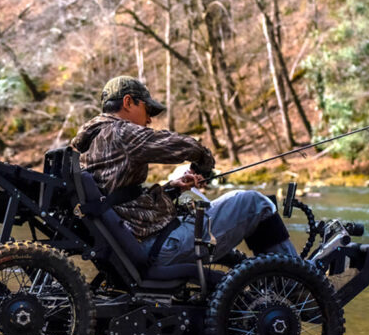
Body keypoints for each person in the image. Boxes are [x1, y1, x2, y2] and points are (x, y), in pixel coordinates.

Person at [70, 76, 296, 266]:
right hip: (158, 247)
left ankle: (273, 280)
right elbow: (181, 146)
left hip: (136, 245)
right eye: (147, 109)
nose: (149, 119)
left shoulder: (88, 143)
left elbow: (117, 200)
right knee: (255, 203)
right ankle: (296, 284)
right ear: (128, 102)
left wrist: (172, 189)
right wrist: (204, 162)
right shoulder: (120, 133)